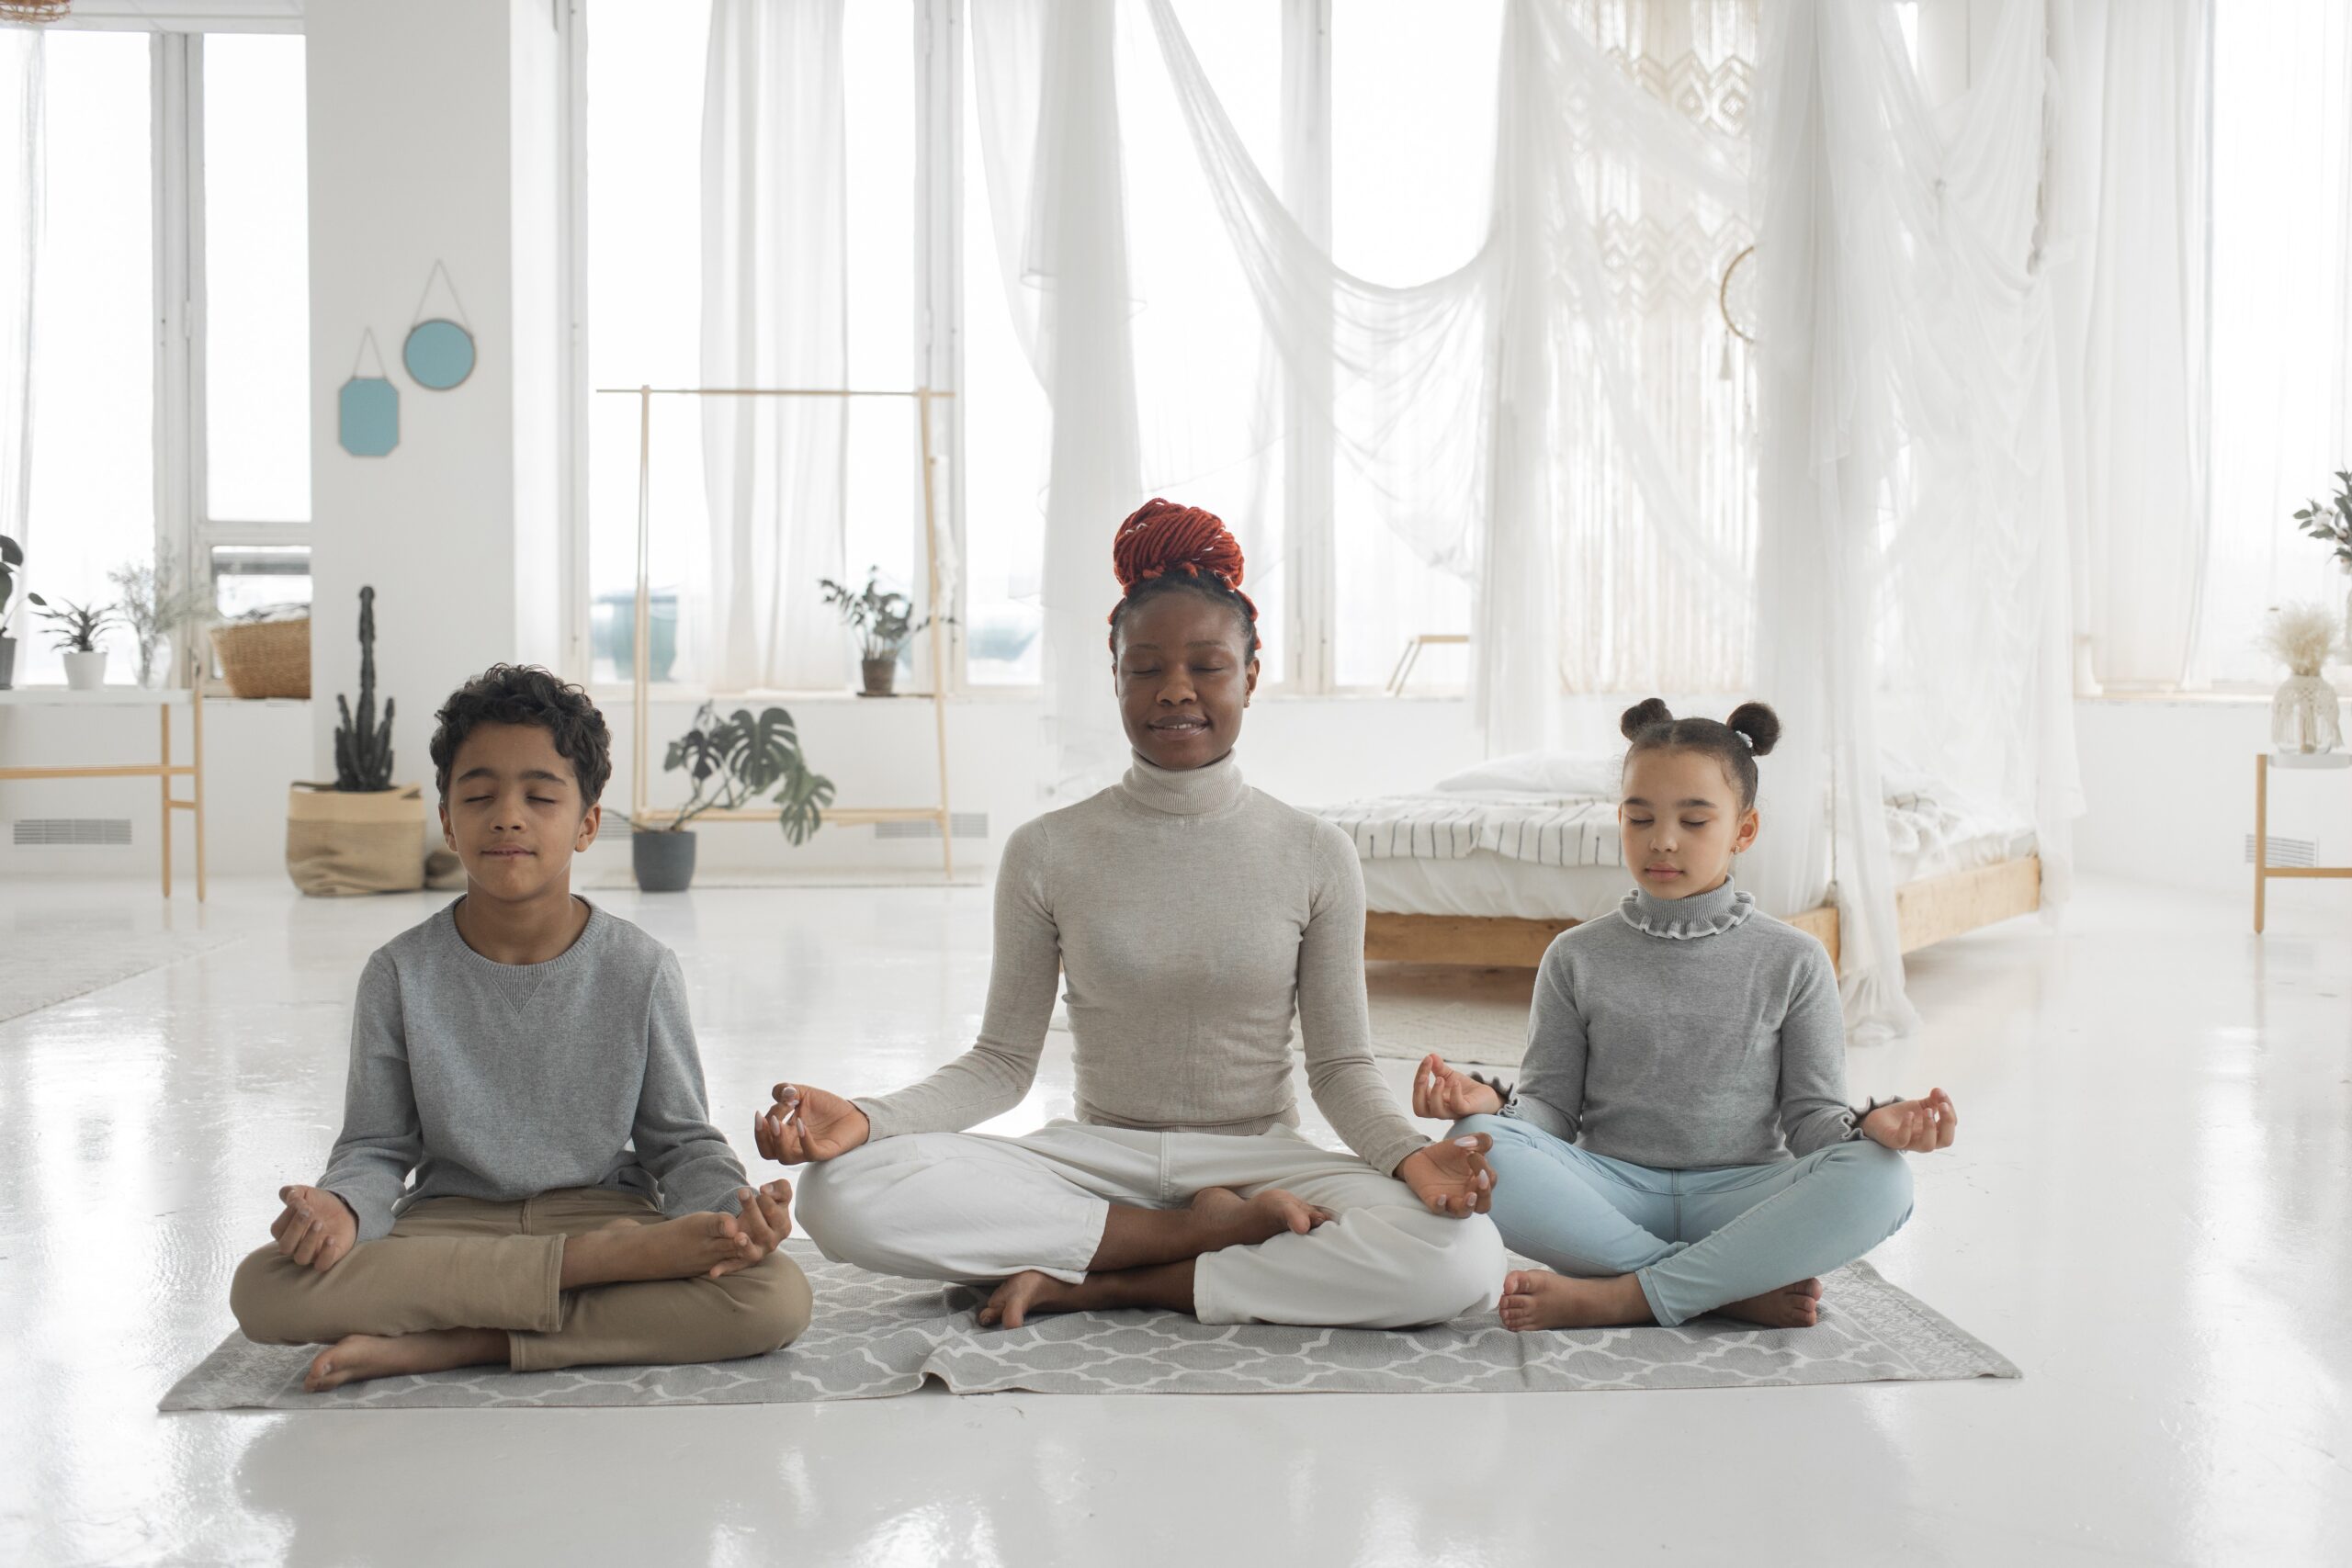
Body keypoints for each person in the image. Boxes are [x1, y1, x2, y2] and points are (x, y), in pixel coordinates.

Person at [762, 500, 1504, 1330]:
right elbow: (1003, 1062)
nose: (1175, 690)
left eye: (1207, 666)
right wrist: (870, 1117)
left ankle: (1113, 1278)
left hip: (1259, 1159)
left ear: (1251, 676)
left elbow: (1338, 1071)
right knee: (841, 1191)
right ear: (1113, 675)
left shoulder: (1315, 851)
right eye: (1145, 667)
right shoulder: (1048, 848)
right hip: (1096, 1160)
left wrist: (1410, 1157)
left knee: (1464, 1258)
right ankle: (1187, 1238)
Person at [229, 665, 808, 1390]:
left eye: (540, 796)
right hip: (458, 1232)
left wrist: (733, 1214)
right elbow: (375, 1148)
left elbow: (683, 1143)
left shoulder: (642, 969)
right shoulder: (398, 973)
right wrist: (340, 1208)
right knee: (262, 1287)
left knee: (774, 1297)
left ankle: (459, 1342)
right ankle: (577, 1279)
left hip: (603, 1216)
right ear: (447, 819)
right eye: (478, 795)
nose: (508, 815)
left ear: (588, 822)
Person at [1414, 698, 1958, 1332]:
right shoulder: (1574, 955)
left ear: (1743, 830)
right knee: (1473, 1147)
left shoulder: (1796, 960)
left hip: (1744, 1199)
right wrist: (1485, 1102)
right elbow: (1550, 1116)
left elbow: (1812, 1123)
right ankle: (1719, 1288)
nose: (1662, 840)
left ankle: (1624, 1295)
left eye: (1694, 821)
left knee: (1884, 1179)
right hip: (1610, 1193)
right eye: (1639, 818)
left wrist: (1875, 1130)